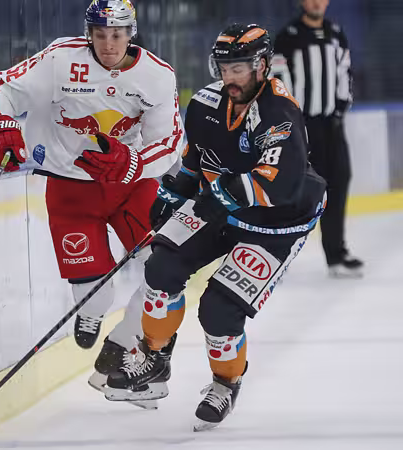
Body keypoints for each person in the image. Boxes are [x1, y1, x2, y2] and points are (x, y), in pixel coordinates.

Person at [101, 24, 327, 431]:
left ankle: (225, 383)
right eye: (224, 69)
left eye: (239, 69)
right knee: (161, 267)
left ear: (261, 66)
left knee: (219, 310)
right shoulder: (206, 103)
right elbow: (195, 159)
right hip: (222, 206)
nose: (230, 78)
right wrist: (172, 192)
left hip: (277, 222)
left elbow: (278, 182)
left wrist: (217, 195)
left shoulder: (279, 111)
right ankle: (154, 357)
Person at [0, 0, 182, 363]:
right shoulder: (60, 59)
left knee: (165, 268)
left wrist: (133, 162)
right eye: (100, 34)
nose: (108, 44)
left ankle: (129, 340)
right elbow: (3, 87)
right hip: (70, 189)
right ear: (88, 33)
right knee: (94, 293)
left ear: (131, 33)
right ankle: (92, 312)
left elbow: (168, 142)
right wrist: (2, 125)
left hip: (130, 185)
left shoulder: (157, 75)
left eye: (117, 35)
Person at [272, 0, 361, 278]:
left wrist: (340, 110)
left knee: (339, 182)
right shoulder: (288, 36)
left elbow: (345, 72)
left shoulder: (336, 33)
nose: (316, 2)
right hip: (302, 128)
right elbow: (278, 78)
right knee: (294, 191)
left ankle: (336, 254)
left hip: (332, 126)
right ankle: (274, 256)